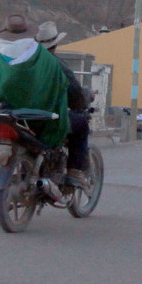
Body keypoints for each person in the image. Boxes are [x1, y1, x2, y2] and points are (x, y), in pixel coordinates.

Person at [0, 14, 70, 189]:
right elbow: (58, 90)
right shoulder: (48, 61)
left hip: (3, 110)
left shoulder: (4, 58)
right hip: (39, 119)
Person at [36, 21, 93, 187]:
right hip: (48, 118)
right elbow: (74, 91)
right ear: (55, 44)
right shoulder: (57, 65)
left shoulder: (24, 61)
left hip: (22, 115)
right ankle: (75, 171)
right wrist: (81, 105)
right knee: (81, 123)